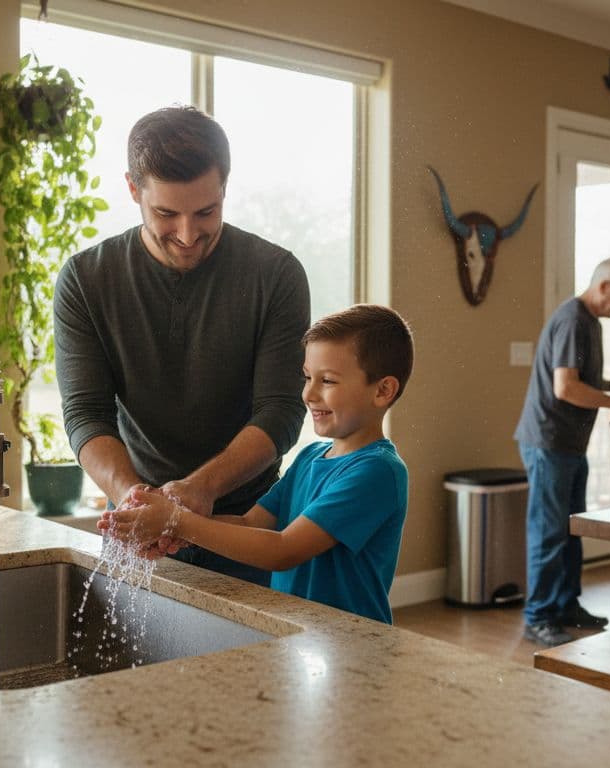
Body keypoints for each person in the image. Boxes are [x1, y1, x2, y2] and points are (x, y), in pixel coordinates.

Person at [54, 106, 310, 586]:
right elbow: (86, 413)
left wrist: (199, 491)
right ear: (133, 190)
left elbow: (280, 411)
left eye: (206, 212)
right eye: (166, 214)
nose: (188, 235)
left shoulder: (276, 275)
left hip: (246, 526)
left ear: (225, 188)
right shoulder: (86, 280)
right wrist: (137, 501)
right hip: (135, 524)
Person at [103, 304, 413, 624]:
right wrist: (170, 527)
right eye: (307, 377)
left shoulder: (377, 472)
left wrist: (178, 522)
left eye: (328, 381)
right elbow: (251, 524)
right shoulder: (310, 458)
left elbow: (284, 549)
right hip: (296, 632)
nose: (309, 393)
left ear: (382, 390)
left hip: (351, 643)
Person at [514, 256, 610, 647]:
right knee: (550, 532)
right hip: (549, 442)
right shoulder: (573, 319)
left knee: (571, 529)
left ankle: (566, 605)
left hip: (568, 444)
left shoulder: (587, 321)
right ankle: (538, 617)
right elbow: (565, 388)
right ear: (604, 286)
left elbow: (577, 377)